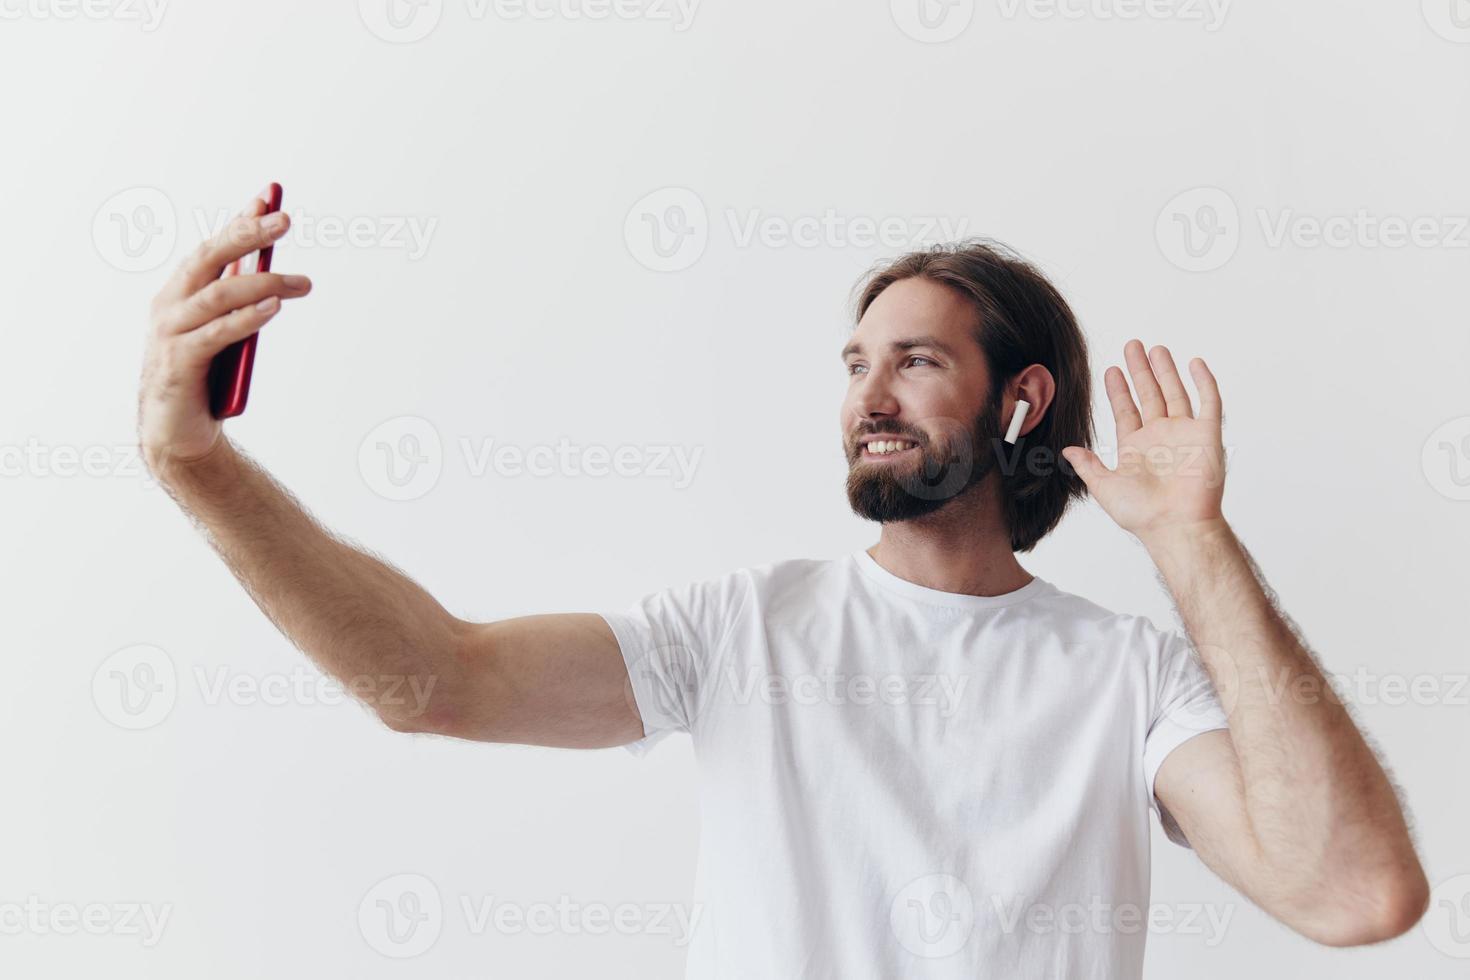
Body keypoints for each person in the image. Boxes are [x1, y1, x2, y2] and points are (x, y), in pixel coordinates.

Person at [137, 190, 1430, 978]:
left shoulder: (1126, 677)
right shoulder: (744, 627)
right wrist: (201, 472)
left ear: (1021, 401)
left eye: (914, 362)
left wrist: (1190, 541)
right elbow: (436, 681)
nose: (865, 397)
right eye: (853, 362)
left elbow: (1354, 896)